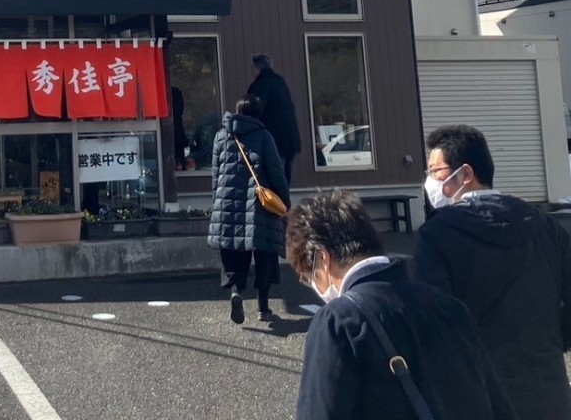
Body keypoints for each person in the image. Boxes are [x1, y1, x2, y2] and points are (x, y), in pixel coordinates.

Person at [288, 190, 515, 420]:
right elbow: (499, 407)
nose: (315, 285)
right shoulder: (452, 307)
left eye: (310, 276)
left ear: (323, 259)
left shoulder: (338, 322)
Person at [413, 124, 571, 420]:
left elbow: (432, 325)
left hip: (476, 396)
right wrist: (551, 342)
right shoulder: (545, 226)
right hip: (548, 392)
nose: (429, 182)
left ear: (466, 174)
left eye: (435, 172)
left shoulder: (437, 237)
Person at [207, 94, 289, 323]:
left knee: (233, 253)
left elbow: (216, 175)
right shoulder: (263, 136)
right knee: (265, 255)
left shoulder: (221, 136)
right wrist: (284, 201)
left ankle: (236, 292)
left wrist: (217, 202)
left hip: (227, 203)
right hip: (260, 204)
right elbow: (276, 173)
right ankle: (263, 306)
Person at [247, 53, 302, 183]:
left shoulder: (260, 85)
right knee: (283, 177)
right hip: (288, 140)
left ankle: (275, 202)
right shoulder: (279, 82)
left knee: (272, 178)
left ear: (257, 68)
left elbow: (253, 110)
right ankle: (283, 201)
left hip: (273, 140)